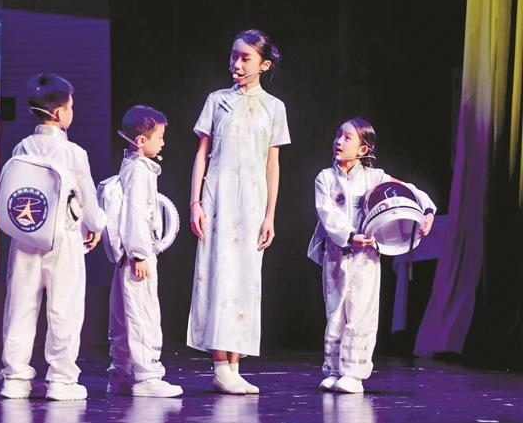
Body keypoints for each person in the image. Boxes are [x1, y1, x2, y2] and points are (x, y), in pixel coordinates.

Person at [187, 29, 290, 394]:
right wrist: (195, 202)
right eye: (235, 55)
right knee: (219, 274)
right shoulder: (217, 100)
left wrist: (270, 214)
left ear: (264, 65)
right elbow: (202, 153)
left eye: (246, 58)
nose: (237, 63)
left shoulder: (274, 107)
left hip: (252, 202)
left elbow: (272, 163)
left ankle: (234, 364)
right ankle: (220, 366)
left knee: (245, 279)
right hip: (219, 197)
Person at [0, 73, 106, 401]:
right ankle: (61, 380)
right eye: (71, 106)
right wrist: (96, 225)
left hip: (26, 236)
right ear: (59, 114)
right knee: (64, 308)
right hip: (64, 239)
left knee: (20, 306)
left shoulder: (22, 147)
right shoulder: (73, 153)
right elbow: (88, 200)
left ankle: (15, 378)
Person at [309, 117, 436, 393]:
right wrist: (349, 235)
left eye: (347, 138)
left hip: (365, 257)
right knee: (335, 312)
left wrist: (427, 210)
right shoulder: (325, 178)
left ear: (363, 149)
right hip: (336, 254)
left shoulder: (375, 178)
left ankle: (353, 373)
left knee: (360, 311)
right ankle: (333, 369)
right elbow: (327, 213)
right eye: (338, 135)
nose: (339, 142)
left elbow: (409, 191)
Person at [106, 105, 183, 398]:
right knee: (142, 312)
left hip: (130, 252)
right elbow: (136, 214)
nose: (162, 143)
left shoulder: (133, 168)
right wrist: (139, 253)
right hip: (137, 253)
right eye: (159, 137)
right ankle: (147, 377)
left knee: (124, 315)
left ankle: (122, 373)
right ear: (141, 141)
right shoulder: (139, 171)